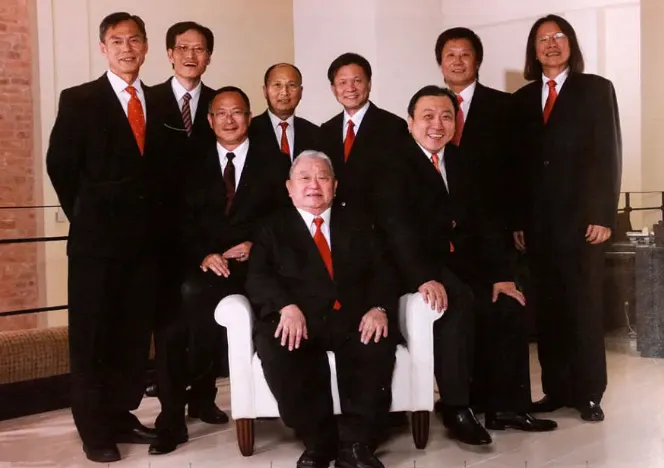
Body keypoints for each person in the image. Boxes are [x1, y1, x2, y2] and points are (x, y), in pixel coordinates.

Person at [46, 12, 171, 463]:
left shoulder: (161, 103)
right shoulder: (79, 99)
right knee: (93, 337)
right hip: (96, 246)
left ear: (146, 47)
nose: (126, 49)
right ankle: (94, 428)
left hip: (146, 247)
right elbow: (60, 166)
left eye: (134, 40)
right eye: (117, 41)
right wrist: (88, 216)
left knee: (132, 336)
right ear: (103, 48)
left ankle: (120, 414)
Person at [148, 86, 290, 454]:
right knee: (174, 321)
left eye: (237, 112)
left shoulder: (274, 161)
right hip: (204, 263)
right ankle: (171, 419)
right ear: (210, 121)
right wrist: (205, 254)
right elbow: (179, 218)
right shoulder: (191, 161)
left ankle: (202, 394)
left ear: (249, 118)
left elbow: (284, 217)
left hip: (251, 267)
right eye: (221, 113)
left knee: (204, 309)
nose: (229, 120)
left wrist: (256, 245)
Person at [434, 27, 557, 432]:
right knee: (467, 311)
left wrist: (518, 222)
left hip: (494, 232)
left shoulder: (504, 106)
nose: (457, 62)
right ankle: (467, 402)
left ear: (477, 61)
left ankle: (507, 406)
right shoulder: (431, 110)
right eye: (450, 55)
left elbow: (522, 170)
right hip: (447, 242)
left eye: (465, 54)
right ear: (440, 63)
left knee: (508, 305)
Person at [247, 151, 397, 468]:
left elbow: (383, 270)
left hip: (353, 317)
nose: (314, 185)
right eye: (304, 178)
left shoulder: (358, 222)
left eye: (323, 178)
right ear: (289, 187)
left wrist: (378, 307)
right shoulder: (272, 227)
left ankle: (356, 445)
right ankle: (318, 441)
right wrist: (285, 306)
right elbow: (258, 276)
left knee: (374, 342)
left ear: (335, 186)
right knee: (279, 346)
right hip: (298, 317)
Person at [511, 14, 622, 422]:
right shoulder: (522, 99)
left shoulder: (595, 89)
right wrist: (518, 221)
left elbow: (608, 153)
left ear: (571, 44)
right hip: (538, 226)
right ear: (534, 50)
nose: (551, 44)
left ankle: (589, 392)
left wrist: (603, 214)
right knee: (548, 311)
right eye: (543, 39)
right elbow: (517, 168)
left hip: (582, 223)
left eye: (558, 36)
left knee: (583, 308)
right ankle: (556, 389)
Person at [148, 21, 226, 455]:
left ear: (209, 56)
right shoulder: (149, 101)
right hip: (161, 239)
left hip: (209, 239)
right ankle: (170, 416)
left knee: (208, 320)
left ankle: (204, 398)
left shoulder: (221, 104)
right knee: (171, 328)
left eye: (199, 49)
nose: (191, 56)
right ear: (169, 54)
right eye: (183, 48)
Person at [249, 63, 320, 162]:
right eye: (277, 85)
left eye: (291, 85)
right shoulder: (249, 130)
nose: (285, 92)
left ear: (301, 92)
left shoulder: (315, 133)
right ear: (265, 91)